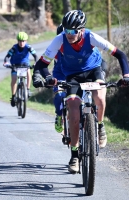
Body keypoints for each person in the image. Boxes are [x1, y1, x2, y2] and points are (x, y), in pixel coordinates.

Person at [32, 10, 129, 173]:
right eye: (67, 31)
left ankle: (100, 125)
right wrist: (48, 77)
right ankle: (75, 155)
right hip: (73, 75)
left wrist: (126, 75)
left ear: (81, 30)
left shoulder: (90, 37)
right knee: (73, 107)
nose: (69, 34)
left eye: (73, 31)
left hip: (94, 70)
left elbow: (120, 54)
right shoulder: (60, 40)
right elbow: (41, 64)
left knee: (99, 95)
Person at [52, 24, 107, 133]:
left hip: (80, 74)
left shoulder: (84, 45)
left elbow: (100, 62)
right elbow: (54, 67)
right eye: (65, 34)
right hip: (62, 75)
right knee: (60, 96)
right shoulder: (57, 48)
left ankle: (93, 123)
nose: (69, 37)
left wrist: (102, 73)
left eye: (72, 33)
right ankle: (59, 116)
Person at [3, 32, 38, 107]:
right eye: (20, 41)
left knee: (28, 72)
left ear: (26, 41)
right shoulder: (14, 48)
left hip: (25, 64)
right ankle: (13, 96)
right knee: (14, 79)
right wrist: (6, 62)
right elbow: (7, 56)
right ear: (17, 41)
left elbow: (35, 55)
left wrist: (36, 63)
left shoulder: (28, 47)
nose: (21, 43)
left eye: (23, 41)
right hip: (15, 65)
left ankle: (27, 90)